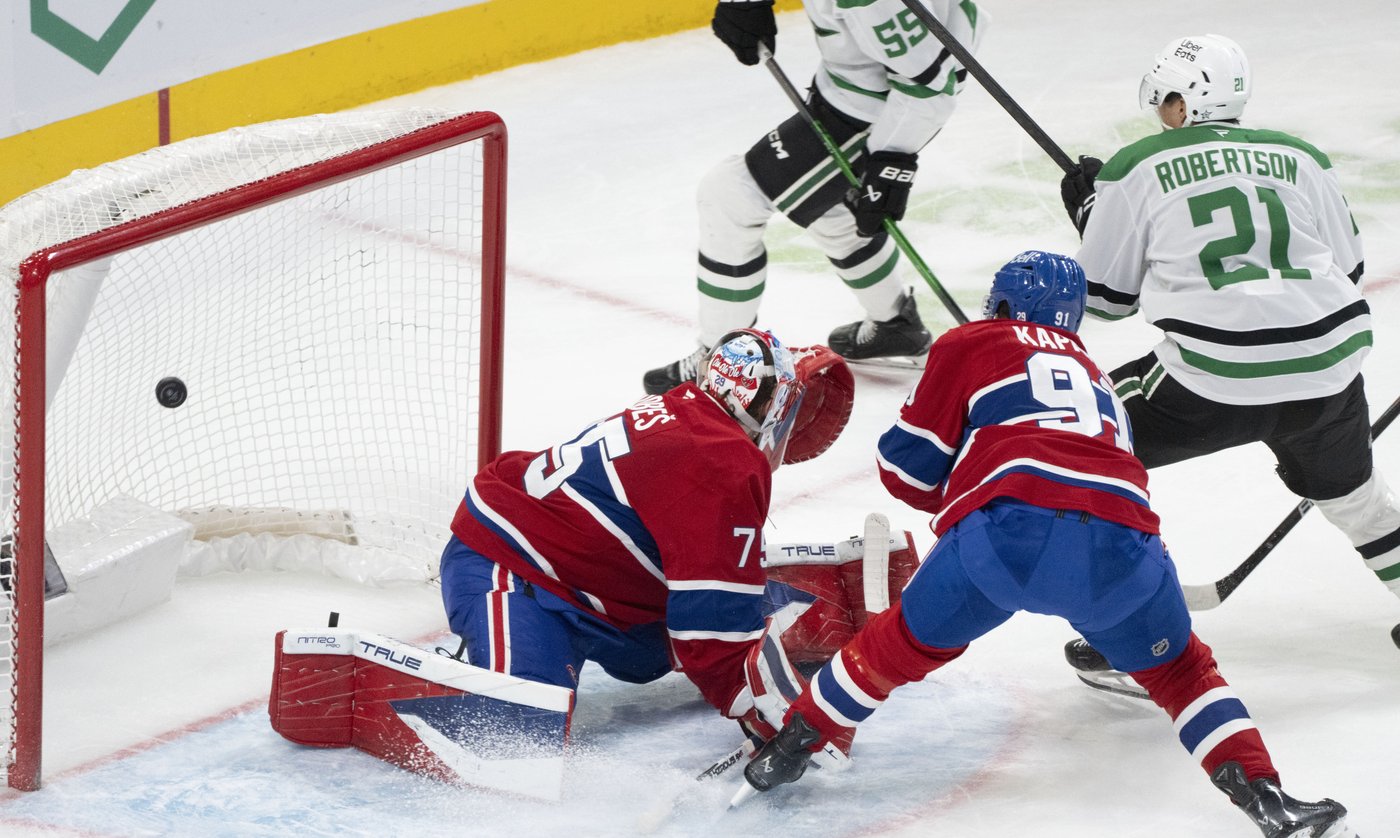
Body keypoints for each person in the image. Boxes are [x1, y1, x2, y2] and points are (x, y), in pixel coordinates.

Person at [735, 251, 1356, 838]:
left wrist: (968, 484)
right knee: (1182, 673)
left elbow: (905, 470)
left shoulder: (971, 341)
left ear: (1002, 302)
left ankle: (787, 751)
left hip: (1003, 537)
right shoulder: (1100, 379)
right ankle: (1271, 803)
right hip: (1123, 546)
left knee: (891, 647)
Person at [1057, 34, 1400, 670]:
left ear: (1184, 104)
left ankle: (1137, 631)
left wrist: (1090, 215)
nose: (1161, 112)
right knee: (1356, 499)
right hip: (1328, 368)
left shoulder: (1136, 165)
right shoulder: (1300, 156)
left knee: (1079, 447)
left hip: (1211, 380)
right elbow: (1348, 269)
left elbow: (1106, 299)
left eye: (1165, 99)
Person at [441, 327, 858, 749]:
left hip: (589, 586)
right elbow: (709, 634)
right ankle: (457, 679)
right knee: (519, 739)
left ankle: (760, 609)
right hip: (509, 564)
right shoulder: (723, 459)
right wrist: (773, 712)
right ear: (770, 405)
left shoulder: (688, 410)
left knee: (654, 653)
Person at [642, 0, 987, 393]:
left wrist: (892, 158)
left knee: (729, 196)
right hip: (852, 87)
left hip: (882, 107)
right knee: (828, 207)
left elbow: (929, 84)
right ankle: (894, 325)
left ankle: (722, 367)